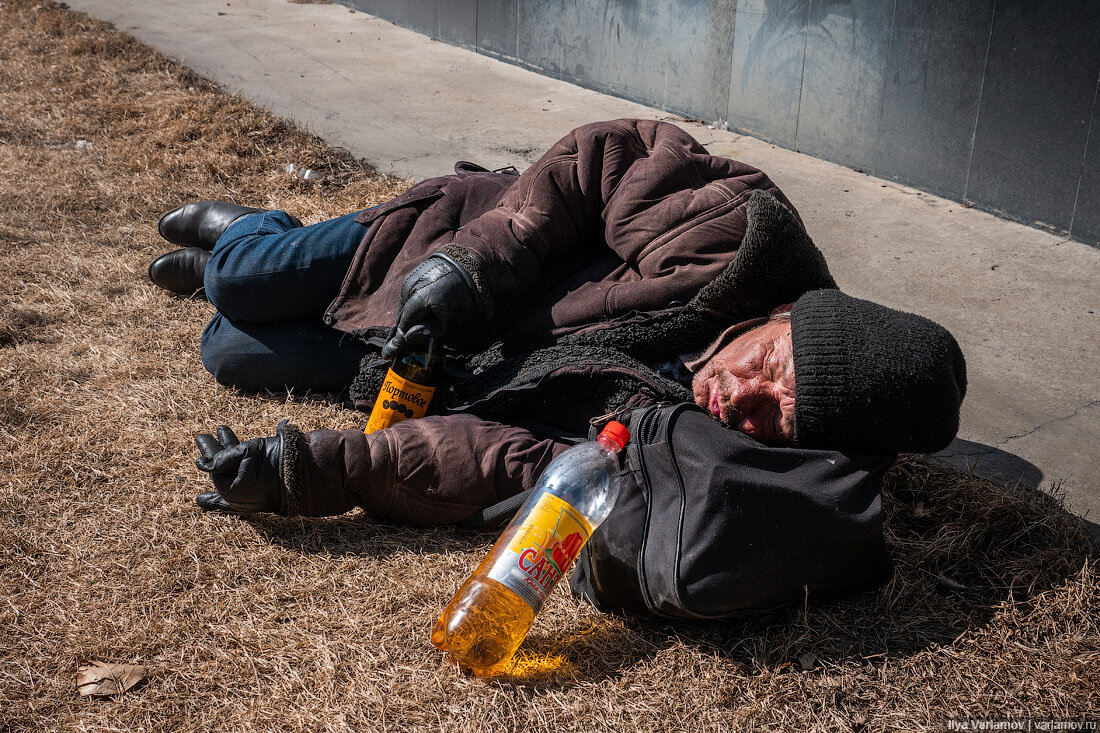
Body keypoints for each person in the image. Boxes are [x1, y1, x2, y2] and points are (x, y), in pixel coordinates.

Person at [148, 119, 967, 525]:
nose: (741, 399)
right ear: (789, 312)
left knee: (229, 348)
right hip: (441, 249)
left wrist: (320, 474)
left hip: (425, 365)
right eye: (772, 368)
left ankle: (244, 270)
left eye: (772, 423)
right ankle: (252, 227)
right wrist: (473, 265)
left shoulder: (704, 449)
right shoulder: (734, 237)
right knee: (243, 279)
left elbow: (514, 465)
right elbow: (599, 160)